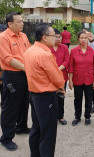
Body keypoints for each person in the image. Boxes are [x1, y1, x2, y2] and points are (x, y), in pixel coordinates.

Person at [24, 23, 65, 157]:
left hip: (34, 95)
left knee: (36, 128)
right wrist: (61, 85)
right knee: (48, 133)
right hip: (46, 97)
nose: (56, 39)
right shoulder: (45, 55)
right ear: (44, 38)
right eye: (54, 36)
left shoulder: (29, 50)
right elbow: (57, 79)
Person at [0, 12, 31, 151]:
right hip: (12, 76)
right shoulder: (3, 38)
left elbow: (30, 52)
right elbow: (8, 59)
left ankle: (22, 127)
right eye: (19, 21)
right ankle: (6, 138)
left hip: (25, 75)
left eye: (22, 21)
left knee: (24, 103)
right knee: (10, 108)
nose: (22, 23)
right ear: (10, 24)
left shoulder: (23, 36)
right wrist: (27, 68)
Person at [69, 31, 94, 126]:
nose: (83, 40)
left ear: (88, 39)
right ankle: (77, 117)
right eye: (81, 38)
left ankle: (87, 116)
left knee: (89, 99)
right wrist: (70, 81)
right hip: (77, 79)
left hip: (89, 79)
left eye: (85, 38)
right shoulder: (74, 51)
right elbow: (71, 66)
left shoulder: (92, 51)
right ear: (78, 39)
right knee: (77, 99)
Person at [50, 29, 69, 125]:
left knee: (61, 97)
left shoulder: (65, 47)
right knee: (51, 98)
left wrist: (58, 69)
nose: (58, 39)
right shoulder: (48, 48)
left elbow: (66, 60)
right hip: (50, 78)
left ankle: (60, 116)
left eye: (59, 37)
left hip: (62, 76)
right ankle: (52, 117)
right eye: (56, 37)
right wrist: (54, 70)